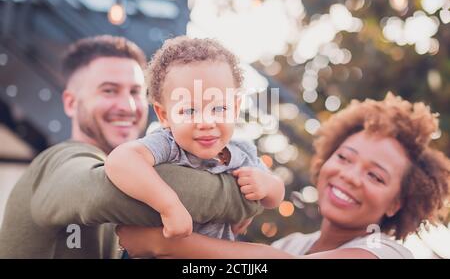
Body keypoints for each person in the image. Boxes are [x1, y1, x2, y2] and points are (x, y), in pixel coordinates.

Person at [0, 35, 262, 259]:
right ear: (70, 103)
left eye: (135, 92)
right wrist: (247, 196)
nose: (128, 106)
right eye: (109, 91)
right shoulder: (60, 162)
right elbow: (104, 191)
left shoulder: (147, 169)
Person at [116, 93, 450, 259]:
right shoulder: (295, 244)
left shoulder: (386, 251)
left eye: (375, 177)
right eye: (345, 158)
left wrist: (164, 241)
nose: (350, 176)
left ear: (396, 204)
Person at [105, 36, 285, 241]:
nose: (207, 122)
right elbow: (120, 161)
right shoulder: (168, 144)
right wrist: (168, 205)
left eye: (219, 108)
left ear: (234, 108)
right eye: (190, 110)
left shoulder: (241, 152)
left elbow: (276, 196)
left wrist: (267, 185)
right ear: (164, 116)